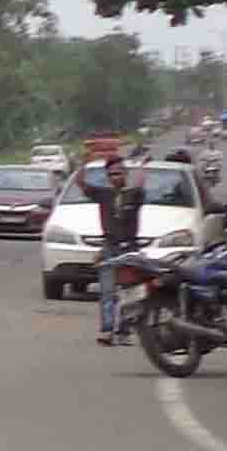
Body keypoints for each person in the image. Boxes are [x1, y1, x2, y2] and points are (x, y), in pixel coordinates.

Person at [85, 147, 148, 348]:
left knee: (130, 292)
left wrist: (142, 166)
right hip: (109, 248)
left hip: (129, 249)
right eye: (111, 174)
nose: (115, 177)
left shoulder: (134, 194)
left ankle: (124, 331)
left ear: (125, 174)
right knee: (107, 292)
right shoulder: (102, 194)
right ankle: (107, 330)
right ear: (107, 176)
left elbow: (141, 182)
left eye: (119, 173)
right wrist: (82, 164)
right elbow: (81, 183)